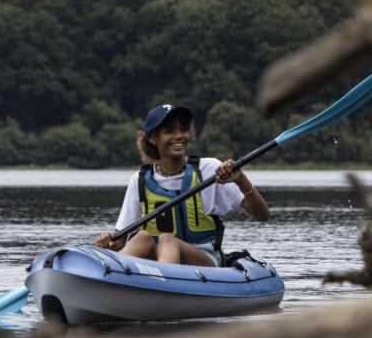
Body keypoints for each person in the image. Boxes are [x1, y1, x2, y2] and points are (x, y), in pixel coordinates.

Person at [95, 103, 269, 267]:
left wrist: (240, 179)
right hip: (156, 262)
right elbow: (119, 242)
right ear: (153, 138)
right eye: (169, 131)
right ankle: (112, 279)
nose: (179, 136)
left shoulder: (209, 170)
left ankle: (163, 288)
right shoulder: (139, 180)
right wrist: (109, 239)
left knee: (167, 240)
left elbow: (262, 215)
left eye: (183, 130)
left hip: (204, 259)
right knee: (141, 237)